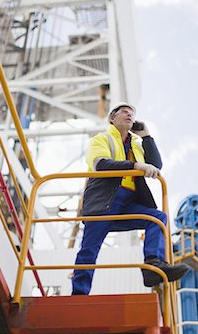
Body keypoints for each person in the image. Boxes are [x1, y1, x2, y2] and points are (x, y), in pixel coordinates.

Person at [72, 102, 189, 295]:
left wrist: (147, 136)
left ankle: (153, 265)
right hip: (104, 201)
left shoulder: (136, 144)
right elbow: (101, 164)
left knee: (157, 218)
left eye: (132, 114)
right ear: (112, 118)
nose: (129, 115)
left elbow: (156, 164)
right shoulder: (102, 139)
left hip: (129, 203)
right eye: (124, 112)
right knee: (89, 250)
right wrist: (136, 166)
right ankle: (79, 295)